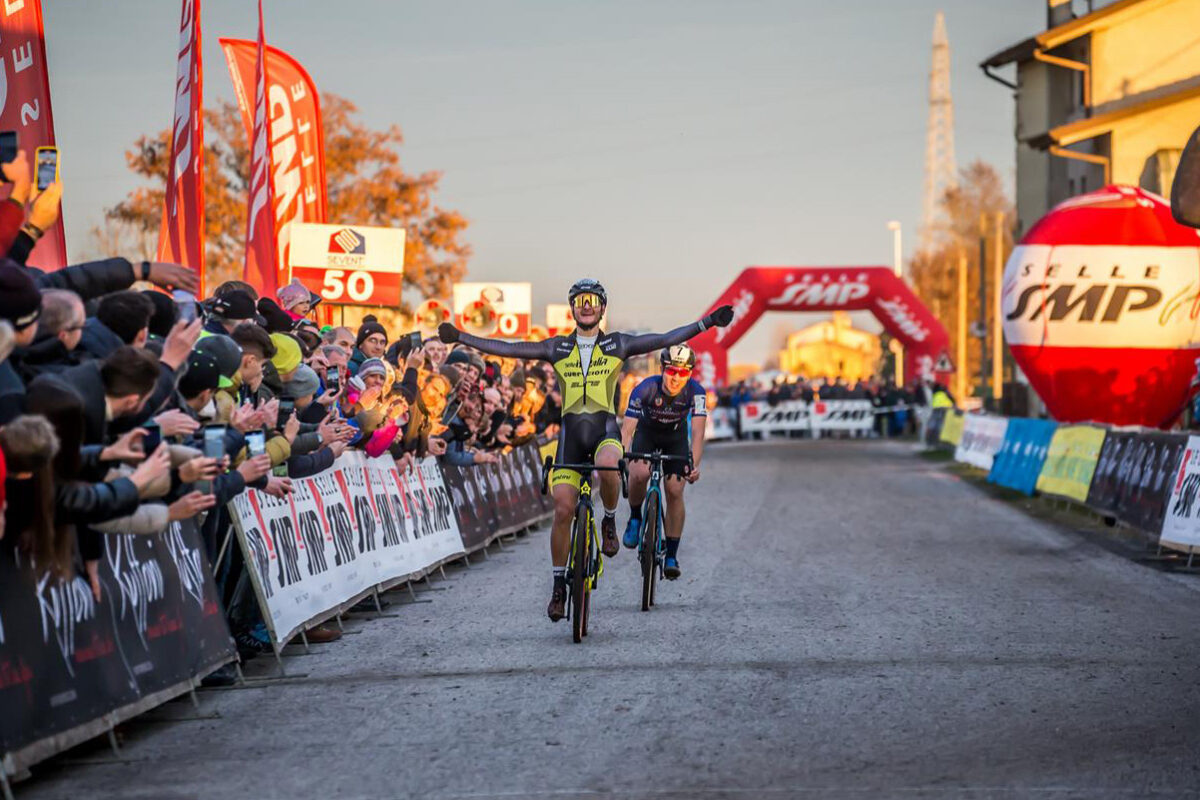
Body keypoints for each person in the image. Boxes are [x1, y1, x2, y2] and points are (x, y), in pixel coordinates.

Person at [438, 278, 732, 621]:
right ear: (573, 308)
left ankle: (609, 521)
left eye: (593, 300)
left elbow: (666, 339)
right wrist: (461, 337)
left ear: (602, 307)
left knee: (610, 461)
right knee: (562, 509)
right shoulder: (556, 347)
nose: (587, 305)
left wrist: (707, 322)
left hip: (604, 429)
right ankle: (559, 587)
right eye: (581, 300)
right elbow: (508, 347)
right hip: (570, 436)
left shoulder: (618, 344)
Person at [620, 344, 708, 579]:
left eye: (682, 373)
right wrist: (622, 456)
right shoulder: (646, 388)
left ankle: (671, 553)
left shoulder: (697, 392)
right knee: (638, 473)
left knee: (675, 489)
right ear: (662, 369)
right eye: (671, 371)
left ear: (690, 374)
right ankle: (636, 517)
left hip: (675, 437)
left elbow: (698, 433)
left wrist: (694, 465)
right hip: (647, 434)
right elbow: (628, 430)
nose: (675, 378)